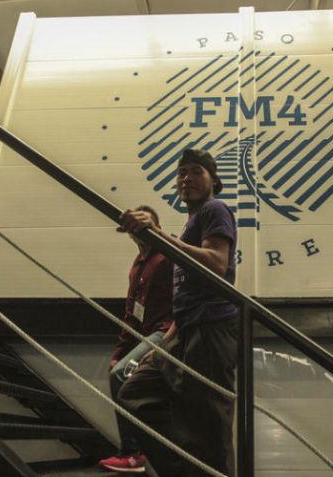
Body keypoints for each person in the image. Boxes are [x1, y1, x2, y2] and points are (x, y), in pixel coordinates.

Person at [115, 148, 239, 476]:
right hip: (184, 330)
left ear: (214, 180)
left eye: (197, 171)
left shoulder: (215, 209)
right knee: (135, 394)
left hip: (211, 327)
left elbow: (217, 263)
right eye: (182, 172)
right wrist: (164, 344)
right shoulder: (190, 226)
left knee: (209, 426)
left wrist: (160, 237)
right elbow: (185, 296)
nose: (187, 178)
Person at [98, 205, 176, 473]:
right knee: (118, 371)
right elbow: (132, 313)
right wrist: (119, 352)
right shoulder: (137, 265)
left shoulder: (167, 254)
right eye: (136, 227)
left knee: (119, 376)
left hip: (167, 331)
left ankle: (132, 454)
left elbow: (182, 250)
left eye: (146, 225)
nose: (140, 231)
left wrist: (158, 233)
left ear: (156, 227)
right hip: (146, 334)